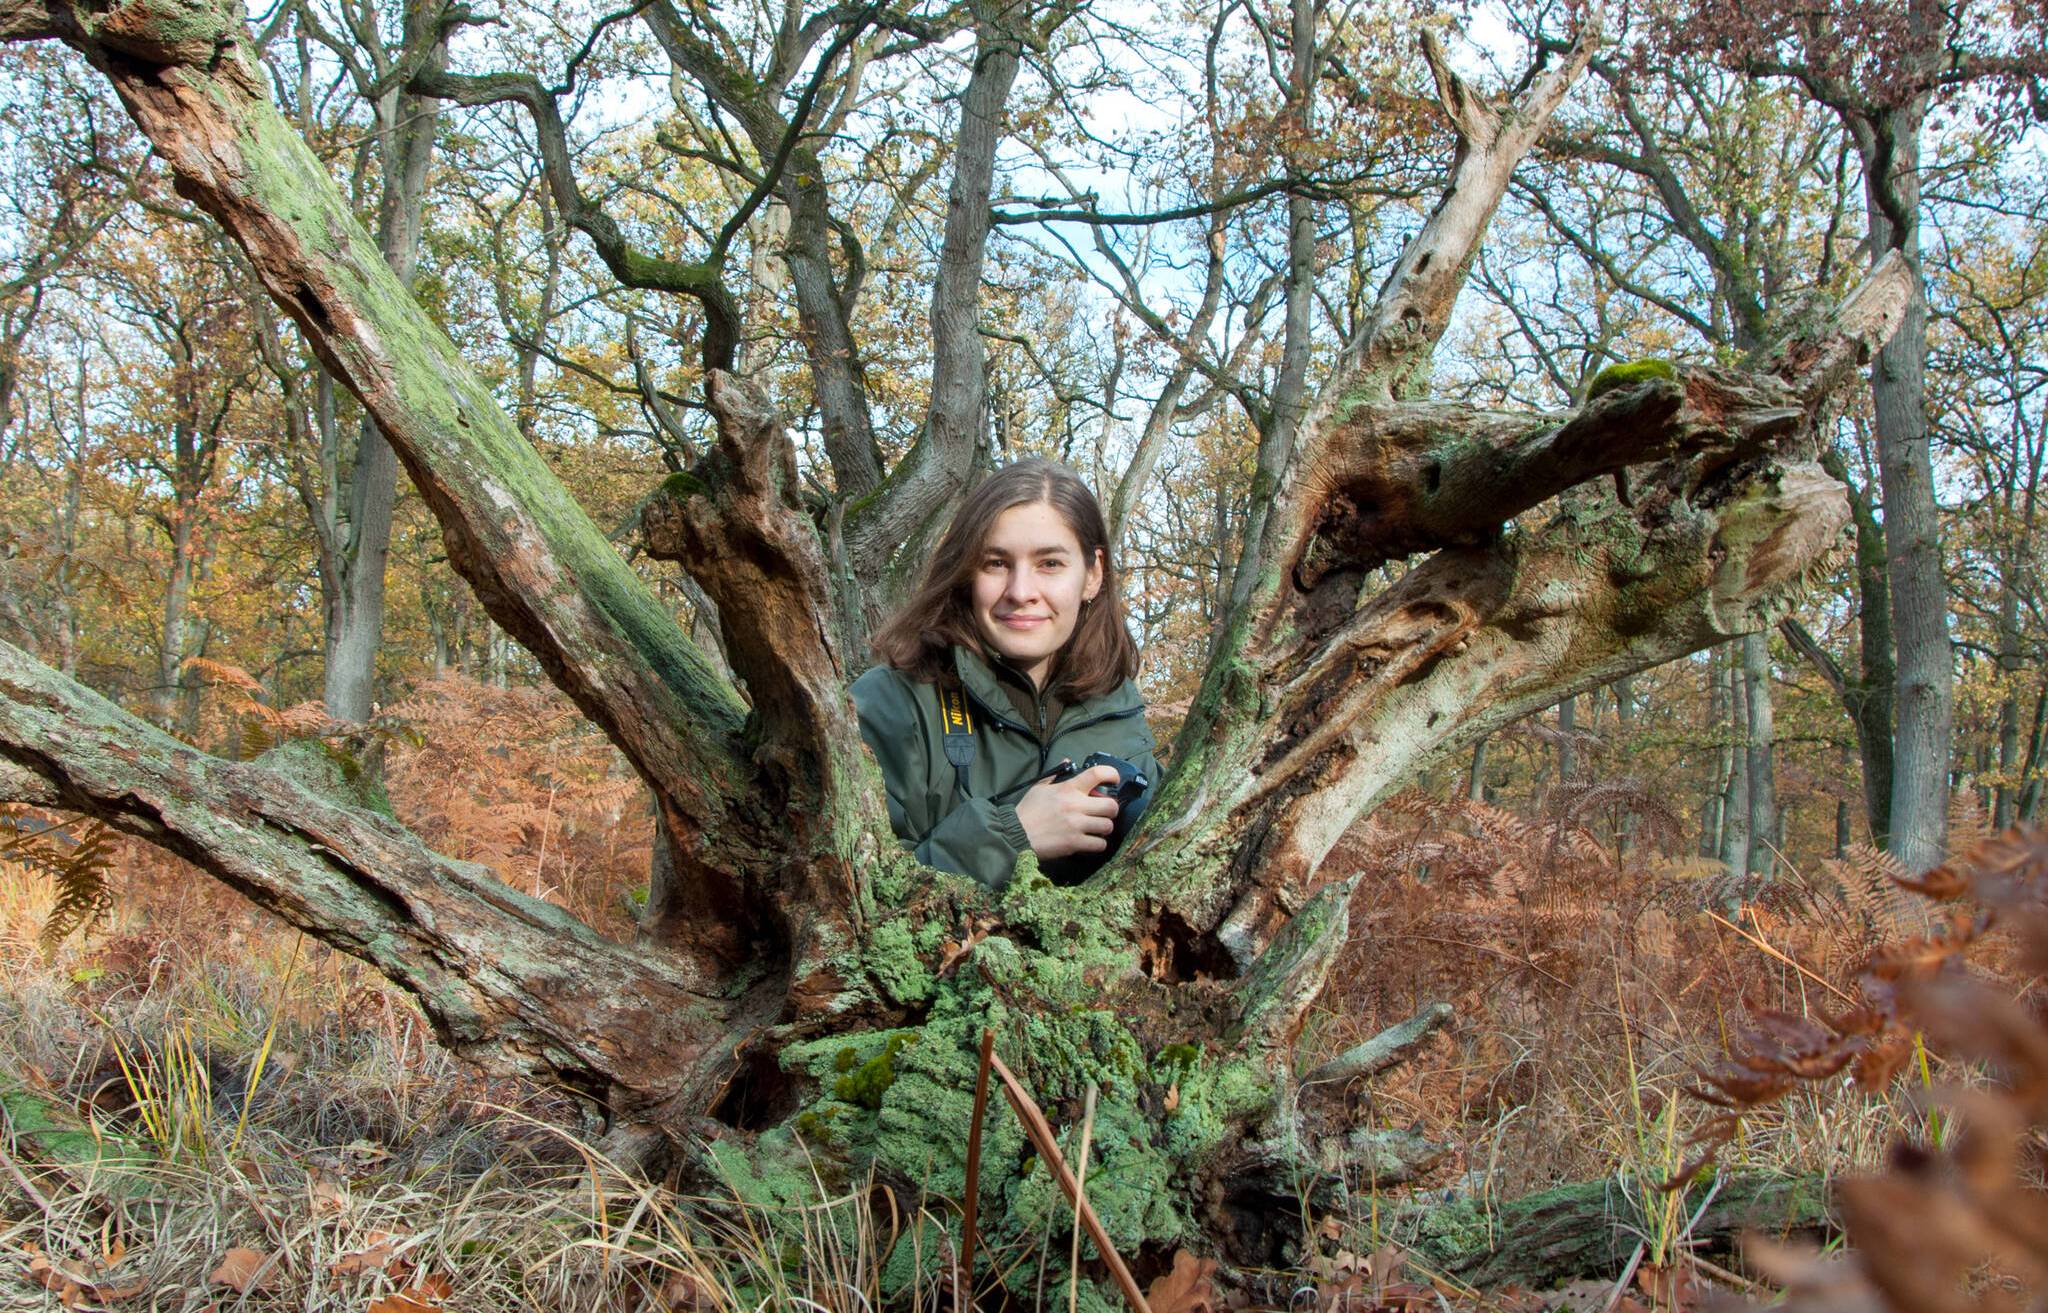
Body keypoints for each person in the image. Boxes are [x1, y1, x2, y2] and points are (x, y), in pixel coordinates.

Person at [852, 458, 1159, 889]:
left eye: (1050, 564)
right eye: (996, 563)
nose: (1020, 592)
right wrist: (1011, 836)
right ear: (965, 573)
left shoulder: (1122, 718)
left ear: (1092, 575)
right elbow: (850, 900)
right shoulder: (891, 704)